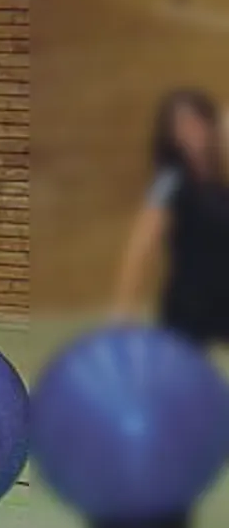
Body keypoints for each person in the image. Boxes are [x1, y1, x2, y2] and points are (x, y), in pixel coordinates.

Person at [113, 89, 229, 345]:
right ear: (171, 135)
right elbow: (140, 247)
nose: (192, 132)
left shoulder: (218, 183)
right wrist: (124, 311)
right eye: (182, 126)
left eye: (197, 122)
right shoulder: (170, 182)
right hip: (189, 307)